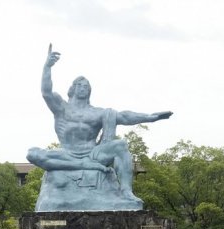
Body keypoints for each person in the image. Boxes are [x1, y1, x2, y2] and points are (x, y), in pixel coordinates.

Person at [26, 44, 172, 198]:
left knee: (120, 145)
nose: (83, 88)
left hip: (93, 154)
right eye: (80, 85)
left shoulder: (97, 113)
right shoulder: (62, 107)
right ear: (73, 89)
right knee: (32, 154)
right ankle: (82, 165)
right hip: (67, 154)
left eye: (86, 86)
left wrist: (150, 117)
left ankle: (126, 191)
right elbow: (46, 92)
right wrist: (47, 67)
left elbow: (124, 116)